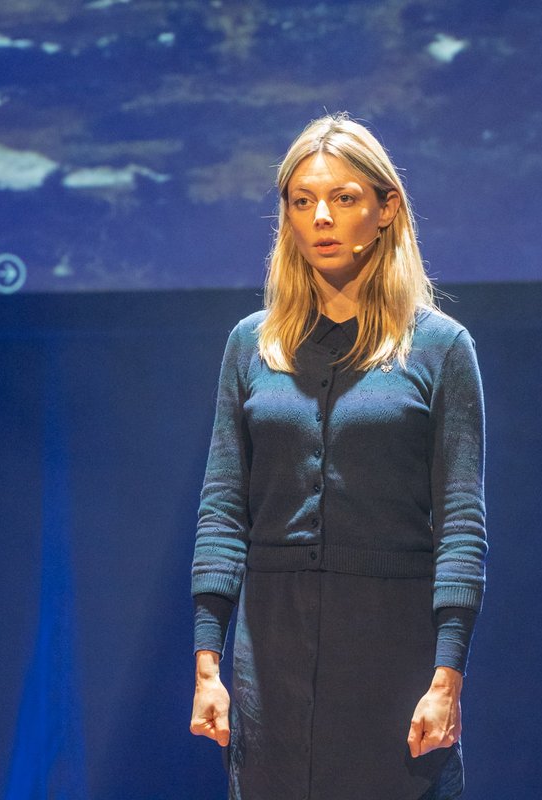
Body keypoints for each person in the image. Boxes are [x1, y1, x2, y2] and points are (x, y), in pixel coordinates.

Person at [188, 113, 486, 800]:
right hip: (271, 655)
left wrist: (447, 677)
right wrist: (208, 663)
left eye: (344, 198)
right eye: (302, 201)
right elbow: (222, 510)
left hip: (392, 655)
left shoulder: (441, 349)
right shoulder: (251, 345)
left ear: (387, 208)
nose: (321, 217)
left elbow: (461, 524)